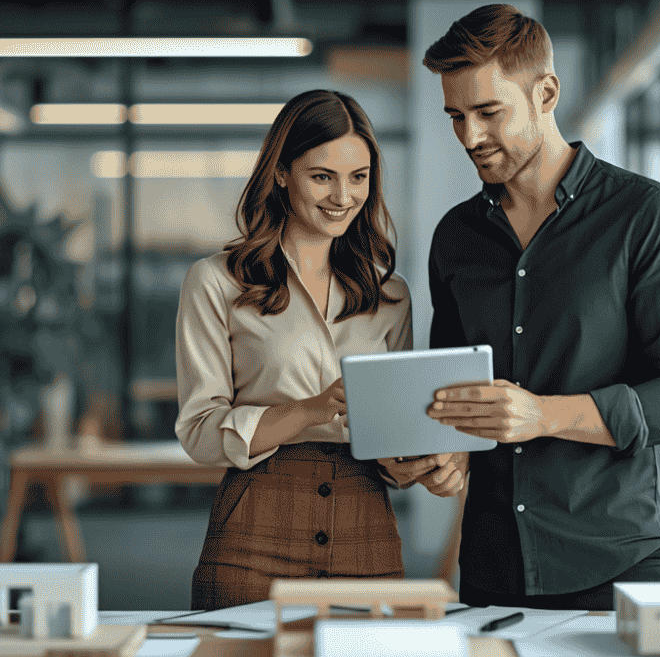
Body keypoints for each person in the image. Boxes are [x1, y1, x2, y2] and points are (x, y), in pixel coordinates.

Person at [383, 4, 660, 611]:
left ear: (546, 93)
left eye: (489, 112)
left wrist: (542, 415)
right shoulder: (455, 238)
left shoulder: (645, 217)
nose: (470, 137)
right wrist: (439, 452)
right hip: (490, 571)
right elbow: (455, 398)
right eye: (456, 116)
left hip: (615, 565)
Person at [175, 89, 452, 611]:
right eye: (321, 176)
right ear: (281, 173)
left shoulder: (390, 296)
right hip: (257, 528)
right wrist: (311, 410)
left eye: (358, 177)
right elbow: (199, 431)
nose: (343, 196)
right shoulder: (216, 282)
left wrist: (419, 461)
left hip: (364, 526)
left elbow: (390, 446)